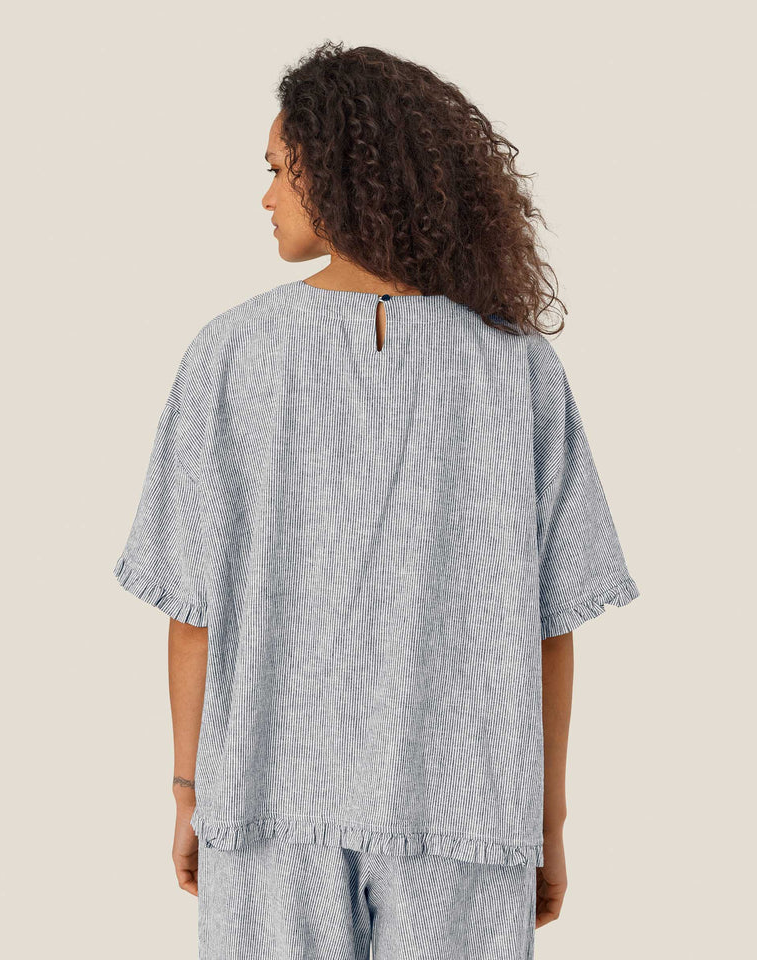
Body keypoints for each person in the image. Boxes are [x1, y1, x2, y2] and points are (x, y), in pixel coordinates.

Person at [113, 41, 640, 960]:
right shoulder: (516, 366)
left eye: (279, 170)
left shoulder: (231, 354)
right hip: (468, 812)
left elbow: (193, 614)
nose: (266, 197)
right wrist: (546, 820)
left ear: (338, 174)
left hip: (269, 804)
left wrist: (189, 791)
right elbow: (550, 625)